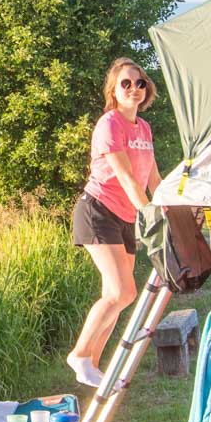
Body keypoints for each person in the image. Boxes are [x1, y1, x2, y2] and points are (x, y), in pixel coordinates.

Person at [67, 57, 160, 388]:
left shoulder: (144, 128)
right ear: (114, 90)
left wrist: (167, 211)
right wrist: (152, 219)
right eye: (126, 83)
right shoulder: (109, 125)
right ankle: (79, 355)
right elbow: (125, 178)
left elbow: (151, 179)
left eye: (140, 83)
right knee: (122, 291)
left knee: (118, 295)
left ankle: (92, 365)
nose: (134, 88)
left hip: (125, 217)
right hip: (98, 211)